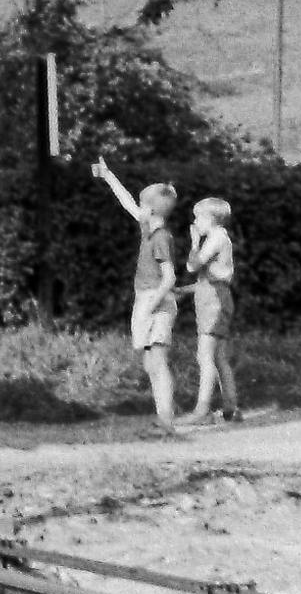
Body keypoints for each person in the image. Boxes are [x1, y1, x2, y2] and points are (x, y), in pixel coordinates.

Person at [90, 156, 181, 430]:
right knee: (150, 363)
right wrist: (108, 176)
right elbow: (127, 202)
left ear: (151, 210)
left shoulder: (161, 238)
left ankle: (166, 420)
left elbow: (170, 277)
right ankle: (164, 415)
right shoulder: (148, 230)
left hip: (156, 301)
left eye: (143, 205)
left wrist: (153, 302)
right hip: (148, 300)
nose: (138, 208)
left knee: (158, 360)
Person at [181, 196, 242, 424]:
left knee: (204, 356)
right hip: (217, 298)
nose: (196, 222)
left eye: (198, 217)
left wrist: (194, 242)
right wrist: (185, 290)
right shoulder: (222, 238)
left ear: (210, 218)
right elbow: (213, 279)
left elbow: (192, 265)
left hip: (213, 303)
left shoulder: (215, 238)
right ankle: (230, 408)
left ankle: (202, 410)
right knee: (219, 357)